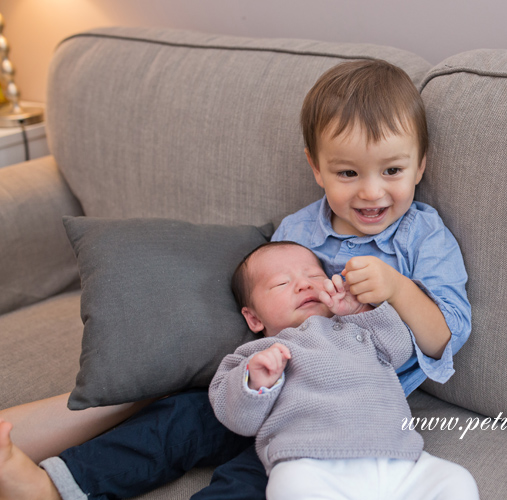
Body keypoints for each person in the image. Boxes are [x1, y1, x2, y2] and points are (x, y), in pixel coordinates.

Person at [0, 58, 471, 499]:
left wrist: (397, 288)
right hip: (268, 386)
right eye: (347, 172)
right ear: (316, 168)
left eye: (392, 170)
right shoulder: (297, 231)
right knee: (175, 422)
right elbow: (262, 313)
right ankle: (54, 487)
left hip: (349, 408)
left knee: (250, 481)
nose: (371, 191)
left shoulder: (423, 237)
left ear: (421, 165)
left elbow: (444, 337)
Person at [212, 241, 478, 498]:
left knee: (456, 480)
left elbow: (400, 349)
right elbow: (238, 419)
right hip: (312, 463)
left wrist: (362, 311)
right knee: (290, 487)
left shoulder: (355, 326)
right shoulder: (258, 355)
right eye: (282, 283)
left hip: (399, 460)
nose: (304, 284)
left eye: (314, 276)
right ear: (254, 318)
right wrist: (256, 379)